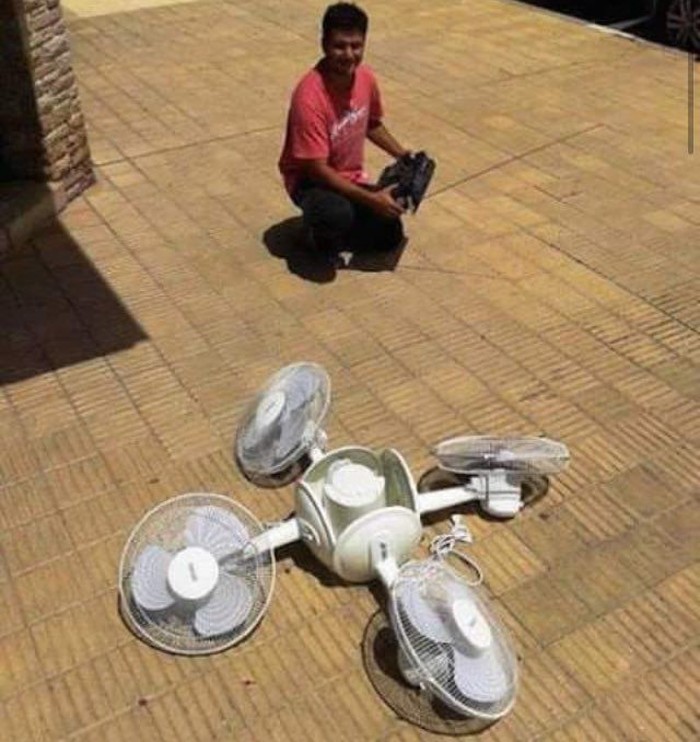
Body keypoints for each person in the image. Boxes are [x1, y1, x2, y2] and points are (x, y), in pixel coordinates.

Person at [278, 2, 412, 262]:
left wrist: (401, 154)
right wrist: (371, 200)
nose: (349, 55)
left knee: (390, 233)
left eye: (356, 46)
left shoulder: (365, 78)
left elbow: (371, 123)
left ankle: (341, 228)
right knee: (335, 215)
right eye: (339, 46)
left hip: (348, 176)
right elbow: (317, 169)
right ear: (324, 45)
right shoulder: (309, 97)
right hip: (310, 180)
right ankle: (312, 234)